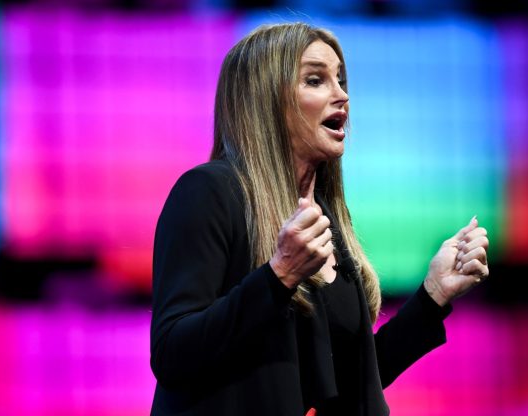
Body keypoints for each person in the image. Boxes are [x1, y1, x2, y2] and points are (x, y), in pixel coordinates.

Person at [149, 22, 489, 416]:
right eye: (316, 80)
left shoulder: (326, 220)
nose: (342, 95)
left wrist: (432, 297)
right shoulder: (210, 192)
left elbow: (348, 383)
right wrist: (278, 277)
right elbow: (173, 352)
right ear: (267, 99)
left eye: (341, 80)